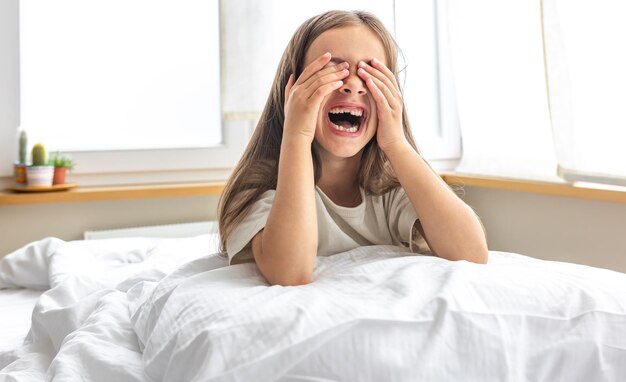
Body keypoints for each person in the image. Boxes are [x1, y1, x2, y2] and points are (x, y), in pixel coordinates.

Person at [217, 10, 488, 286]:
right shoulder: (258, 190)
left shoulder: (389, 190)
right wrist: (297, 133)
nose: (353, 86)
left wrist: (397, 143)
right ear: (292, 91)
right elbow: (290, 272)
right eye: (332, 71)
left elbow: (472, 253)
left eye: (370, 73)